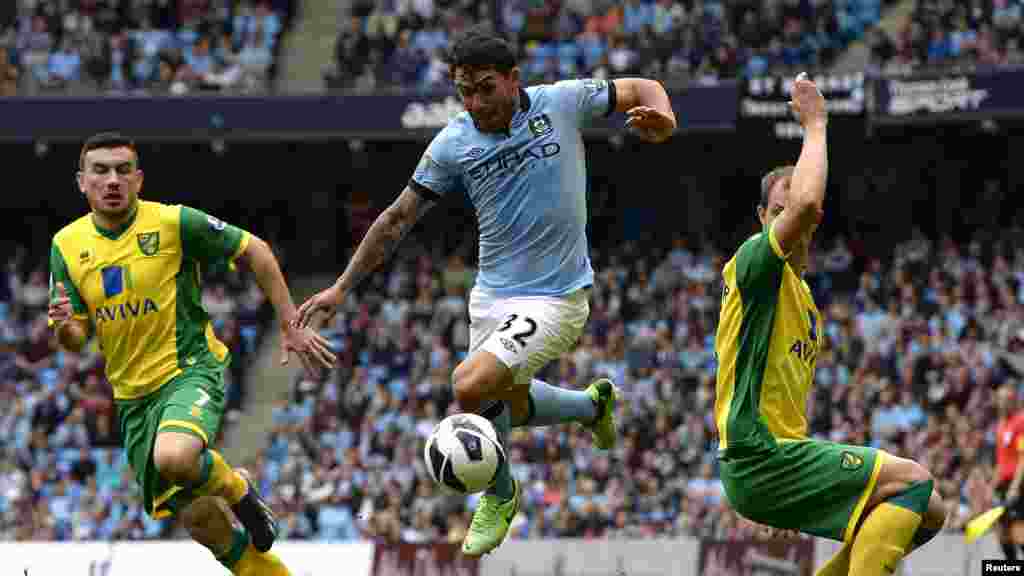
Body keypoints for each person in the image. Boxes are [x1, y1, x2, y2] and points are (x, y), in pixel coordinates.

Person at [296, 29, 677, 556]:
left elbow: (643, 86)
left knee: (470, 387)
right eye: (464, 92)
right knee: (507, 407)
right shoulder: (454, 141)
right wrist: (342, 287)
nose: (475, 103)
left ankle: (499, 495)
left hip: (557, 297)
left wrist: (665, 118)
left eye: (485, 88)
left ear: (514, 79)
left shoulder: (561, 103)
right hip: (491, 298)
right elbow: (397, 219)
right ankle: (589, 409)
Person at [48, 132, 336, 575]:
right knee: (201, 520)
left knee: (176, 457)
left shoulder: (172, 223)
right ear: (81, 181)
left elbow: (254, 250)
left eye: (123, 170)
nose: (112, 180)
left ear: (139, 179)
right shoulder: (66, 246)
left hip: (188, 370)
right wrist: (67, 324)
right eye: (100, 170)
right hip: (133, 400)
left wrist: (289, 324)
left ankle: (239, 490)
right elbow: (74, 338)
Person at [713, 74, 947, 576]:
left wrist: (785, 495)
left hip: (776, 461)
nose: (790, 219)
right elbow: (806, 203)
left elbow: (774, 395)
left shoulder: (804, 300)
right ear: (762, 217)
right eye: (778, 210)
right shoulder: (755, 265)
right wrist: (816, 125)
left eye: (793, 210)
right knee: (912, 482)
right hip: (759, 457)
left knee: (929, 512)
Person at [993, 383, 1024, 559]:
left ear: (1014, 401)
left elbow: (1023, 458)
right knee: (1002, 532)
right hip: (1003, 485)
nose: (1003, 403)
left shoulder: (1020, 422)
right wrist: (992, 486)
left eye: (1007, 399)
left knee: (1019, 532)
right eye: (1000, 399)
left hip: (1018, 485)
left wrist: (1015, 487)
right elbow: (1001, 460)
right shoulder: (1001, 425)